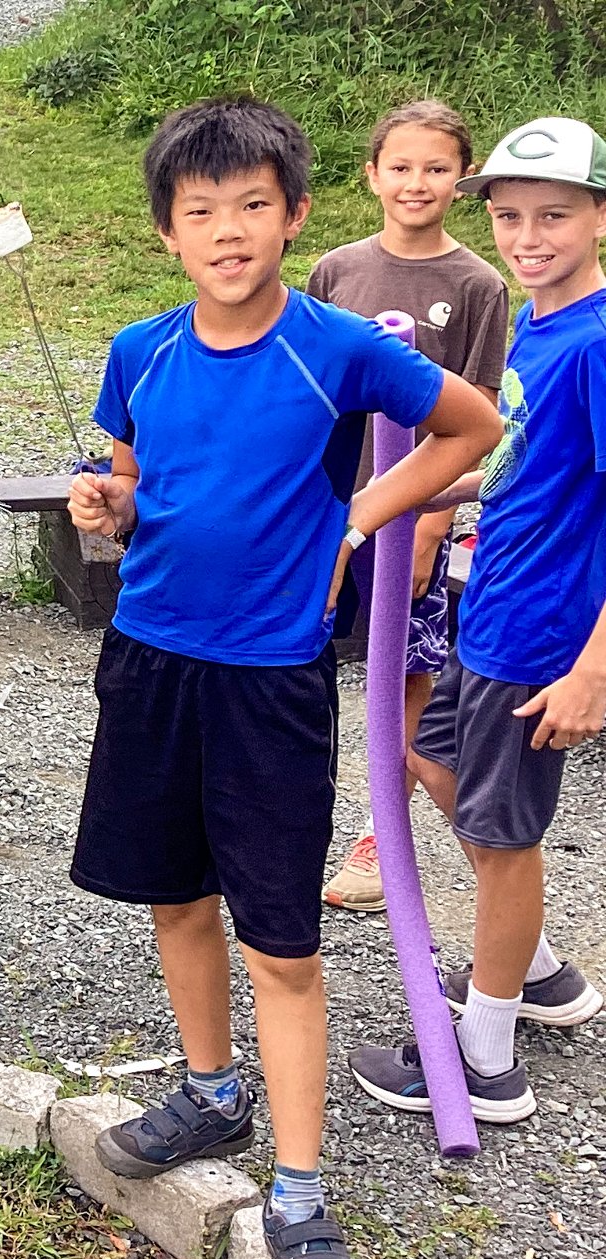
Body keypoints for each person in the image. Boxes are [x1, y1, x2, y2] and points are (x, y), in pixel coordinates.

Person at [66, 99, 501, 1259]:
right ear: (166, 229)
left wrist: (360, 513)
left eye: (253, 205)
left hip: (270, 679)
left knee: (285, 940)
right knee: (172, 895)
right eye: (200, 210)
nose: (228, 230)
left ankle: (299, 1185)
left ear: (296, 213)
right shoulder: (138, 349)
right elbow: (135, 484)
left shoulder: (338, 345)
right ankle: (212, 1090)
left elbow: (471, 423)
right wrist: (108, 508)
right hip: (151, 660)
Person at [350, 116, 606, 1123]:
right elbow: (527, 471)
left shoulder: (596, 342)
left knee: (503, 838)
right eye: (508, 216)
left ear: (597, 216)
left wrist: (593, 667)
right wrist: (413, 502)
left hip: (544, 633)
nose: (528, 234)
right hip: (490, 607)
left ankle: (483, 1061)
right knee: (433, 761)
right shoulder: (542, 326)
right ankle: (537, 969)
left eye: (554, 214)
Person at [307, 101, 509, 914]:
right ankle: (295, 806)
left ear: (461, 180)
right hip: (330, 509)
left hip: (414, 522)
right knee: (307, 661)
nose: (416, 182)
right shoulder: (337, 270)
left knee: (403, 682)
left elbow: (483, 415)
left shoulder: (477, 285)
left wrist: (428, 523)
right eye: (400, 166)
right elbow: (313, 391)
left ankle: (379, 834)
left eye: (435, 168)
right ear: (372, 175)